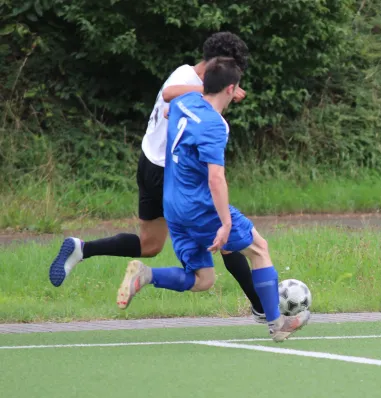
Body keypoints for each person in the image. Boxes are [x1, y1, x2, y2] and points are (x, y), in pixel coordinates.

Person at [48, 32, 266, 322]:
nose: (235, 83)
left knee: (150, 244)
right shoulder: (187, 80)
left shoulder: (184, 73)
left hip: (149, 164)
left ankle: (81, 249)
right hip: (170, 173)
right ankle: (262, 308)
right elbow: (169, 94)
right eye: (233, 74)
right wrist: (213, 90)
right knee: (227, 239)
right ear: (219, 64)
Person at [116, 57, 310, 342]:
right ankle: (277, 323)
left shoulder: (183, 104)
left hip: (172, 205)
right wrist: (226, 223)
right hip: (200, 207)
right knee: (259, 248)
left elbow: (168, 110)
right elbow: (216, 178)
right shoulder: (215, 125)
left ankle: (146, 275)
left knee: (203, 279)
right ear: (230, 89)